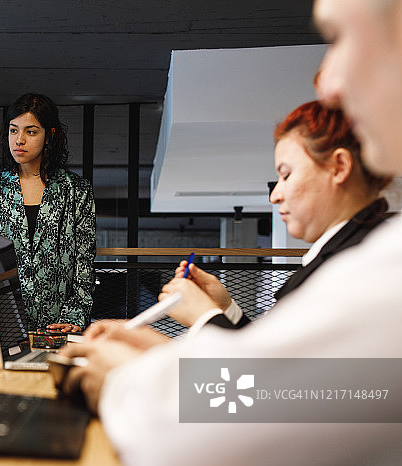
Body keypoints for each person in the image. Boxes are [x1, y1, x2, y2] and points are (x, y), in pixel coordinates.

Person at [59, 0, 402, 466]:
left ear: (339, 168)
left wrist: (125, 378)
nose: (328, 80)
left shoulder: (382, 268)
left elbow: (210, 431)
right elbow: (279, 386)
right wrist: (166, 351)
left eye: (339, 37)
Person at [161, 100, 393, 331]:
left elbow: (276, 367)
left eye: (286, 175)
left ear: (339, 167)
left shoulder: (362, 263)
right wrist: (225, 308)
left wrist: (203, 317)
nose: (275, 196)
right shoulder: (352, 251)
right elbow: (271, 354)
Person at [0, 93, 95, 333]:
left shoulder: (76, 190)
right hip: (3, 322)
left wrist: (75, 316)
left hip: (59, 324)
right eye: (14, 131)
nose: (19, 140)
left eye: (31, 131)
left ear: (50, 136)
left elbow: (83, 262)